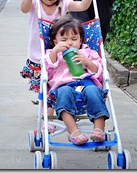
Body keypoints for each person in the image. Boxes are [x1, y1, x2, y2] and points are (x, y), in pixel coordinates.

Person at [20, 0, 98, 132]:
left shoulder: (64, 2)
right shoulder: (35, 1)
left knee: (56, 85)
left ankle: (50, 116)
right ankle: (47, 118)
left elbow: (82, 6)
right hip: (39, 54)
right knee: (44, 87)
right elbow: (24, 8)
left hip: (62, 57)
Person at [45, 15, 109, 145]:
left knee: (94, 91)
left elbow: (98, 72)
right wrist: (54, 52)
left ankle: (99, 129)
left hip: (85, 83)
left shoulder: (88, 52)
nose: (69, 43)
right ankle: (73, 131)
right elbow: (48, 71)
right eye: (64, 39)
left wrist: (87, 62)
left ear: (80, 41)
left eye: (74, 39)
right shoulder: (52, 54)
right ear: (56, 42)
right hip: (63, 85)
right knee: (63, 93)